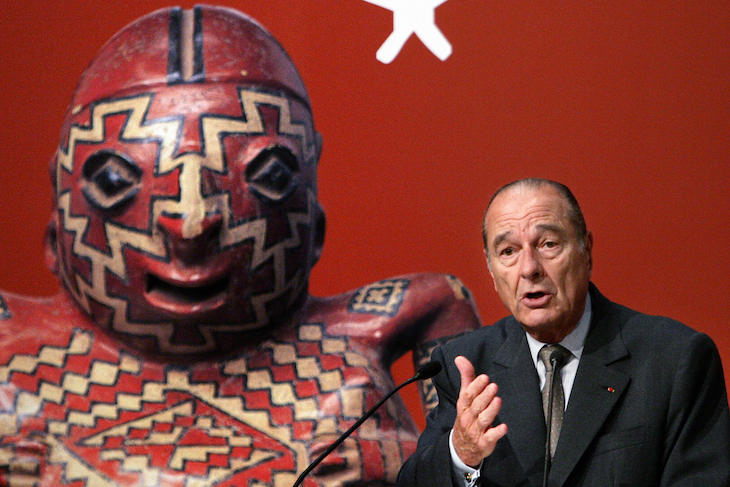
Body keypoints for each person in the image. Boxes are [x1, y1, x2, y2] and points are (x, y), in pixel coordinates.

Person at [0, 6, 481, 486]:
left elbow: (442, 304)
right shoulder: (16, 366)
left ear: (313, 228)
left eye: (268, 178)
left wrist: (413, 460)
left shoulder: (346, 358)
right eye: (114, 182)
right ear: (56, 232)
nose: (190, 225)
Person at [398, 178, 730, 486]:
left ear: (586, 250)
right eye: (508, 252)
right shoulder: (466, 367)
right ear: (490, 268)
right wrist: (461, 453)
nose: (529, 268)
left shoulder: (674, 360)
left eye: (548, 244)